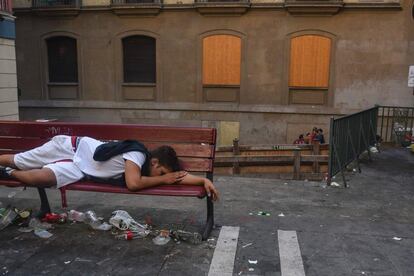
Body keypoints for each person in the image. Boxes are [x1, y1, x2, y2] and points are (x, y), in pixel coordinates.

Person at [0, 135, 219, 201]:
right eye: (161, 172)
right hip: (70, 148)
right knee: (19, 160)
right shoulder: (137, 153)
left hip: (81, 170)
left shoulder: (148, 168)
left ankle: (6, 173)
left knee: (40, 179)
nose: (162, 177)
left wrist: (202, 180)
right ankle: (7, 166)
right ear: (154, 163)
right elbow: (133, 185)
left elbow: (175, 177)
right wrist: (163, 179)